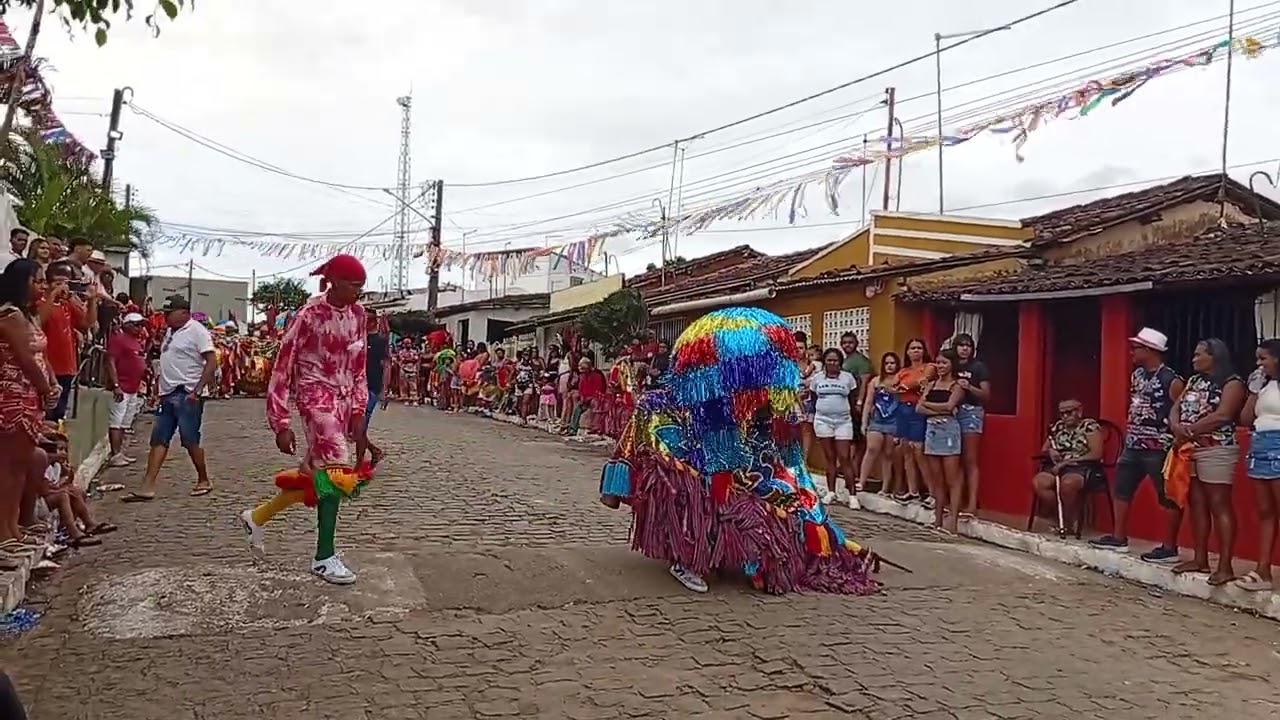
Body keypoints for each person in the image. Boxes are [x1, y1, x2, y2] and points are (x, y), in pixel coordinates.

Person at [598, 307, 880, 596]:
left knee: (768, 499)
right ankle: (687, 560)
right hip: (694, 464)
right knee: (695, 496)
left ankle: (745, 554)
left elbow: (781, 452)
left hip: (743, 466)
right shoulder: (674, 400)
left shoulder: (760, 401)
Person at [239, 254, 370, 585]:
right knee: (337, 470)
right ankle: (323, 557)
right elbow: (282, 367)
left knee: (316, 478)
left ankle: (257, 517)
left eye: (361, 286)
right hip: (315, 399)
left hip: (343, 401)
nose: (358, 292)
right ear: (334, 282)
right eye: (353, 285)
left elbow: (359, 366)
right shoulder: (308, 316)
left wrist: (359, 409)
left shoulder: (359, 315)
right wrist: (280, 422)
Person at [1090, 327, 1185, 558]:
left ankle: (1169, 546)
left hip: (1158, 447)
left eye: (1136, 348)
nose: (1132, 352)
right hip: (1133, 443)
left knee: (1167, 496)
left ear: (1150, 350)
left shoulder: (1171, 380)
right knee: (1122, 489)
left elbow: (1180, 411)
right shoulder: (1138, 375)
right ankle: (1119, 537)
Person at [1169, 339, 1245, 584]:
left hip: (1217, 448)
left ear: (1214, 357)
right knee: (1197, 503)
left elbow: (1223, 415)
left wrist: (1189, 430)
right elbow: (1176, 406)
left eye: (1199, 354)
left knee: (1219, 503)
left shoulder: (1232, 383)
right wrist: (1176, 426)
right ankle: (1200, 558)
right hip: (1190, 448)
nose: (1194, 359)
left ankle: (1225, 565)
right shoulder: (1193, 381)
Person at [125, 295, 216, 501]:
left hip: (187, 391)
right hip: (168, 392)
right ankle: (147, 485)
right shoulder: (170, 331)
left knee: (189, 439)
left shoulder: (197, 331)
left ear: (184, 313)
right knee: (159, 438)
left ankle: (203, 479)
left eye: (169, 313)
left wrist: (197, 390)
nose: (165, 317)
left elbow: (211, 361)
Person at [0, 260, 59, 546]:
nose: (43, 286)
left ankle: (12, 528)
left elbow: (40, 356)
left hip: (29, 396)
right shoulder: (10, 315)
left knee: (19, 466)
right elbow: (25, 358)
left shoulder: (28, 315)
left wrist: (52, 384)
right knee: (9, 467)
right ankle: (4, 532)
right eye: (38, 281)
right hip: (13, 396)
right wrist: (46, 388)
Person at [1238, 339, 1280, 591]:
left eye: (1263, 358)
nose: (1259, 364)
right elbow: (1245, 418)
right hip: (1260, 445)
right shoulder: (1264, 386)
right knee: (1265, 511)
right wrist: (1253, 392)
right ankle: (1263, 570)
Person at [1030, 399, 1104, 535]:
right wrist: (1051, 451)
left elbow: (1096, 454)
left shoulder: (1089, 426)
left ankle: (1068, 521)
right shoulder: (1058, 426)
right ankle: (1062, 516)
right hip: (1057, 466)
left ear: (1079, 411)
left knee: (1068, 484)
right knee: (1039, 483)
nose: (1065, 416)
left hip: (1082, 466)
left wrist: (1067, 462)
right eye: (1062, 413)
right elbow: (1044, 449)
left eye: (1069, 412)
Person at [918, 350, 965, 533]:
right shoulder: (931, 384)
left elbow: (950, 406)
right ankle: (937, 519)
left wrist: (929, 405)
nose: (940, 366)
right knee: (937, 479)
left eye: (944, 362)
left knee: (952, 478)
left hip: (949, 431)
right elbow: (919, 407)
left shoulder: (956, 386)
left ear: (952, 364)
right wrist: (940, 410)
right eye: (938, 362)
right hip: (932, 431)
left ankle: (952, 523)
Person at [37, 262, 91, 422]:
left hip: (67, 367)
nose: (63, 286)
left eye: (66, 282)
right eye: (58, 282)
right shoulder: (40, 304)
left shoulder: (67, 305)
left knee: (59, 415)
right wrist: (53, 295)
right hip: (49, 367)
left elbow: (87, 323)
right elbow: (39, 321)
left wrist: (93, 300)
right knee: (46, 413)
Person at [811, 348, 860, 509]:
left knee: (844, 457)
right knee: (830, 457)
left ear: (840, 362)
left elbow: (852, 398)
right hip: (823, 420)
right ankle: (831, 491)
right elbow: (813, 398)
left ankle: (852, 495)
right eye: (829, 360)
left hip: (843, 421)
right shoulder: (817, 378)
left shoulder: (848, 378)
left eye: (835, 360)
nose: (832, 363)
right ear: (825, 361)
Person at [892, 338, 934, 505]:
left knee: (918, 450)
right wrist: (906, 385)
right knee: (906, 450)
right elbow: (893, 386)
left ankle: (932, 493)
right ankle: (913, 491)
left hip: (918, 409)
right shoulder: (904, 370)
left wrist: (905, 385)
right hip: (903, 408)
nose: (916, 351)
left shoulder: (929, 366)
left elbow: (921, 381)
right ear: (907, 352)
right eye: (912, 348)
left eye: (919, 348)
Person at [951, 333, 989, 519]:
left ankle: (972, 504)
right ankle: (956, 502)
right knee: (954, 459)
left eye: (968, 345)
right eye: (961, 345)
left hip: (971, 411)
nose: (965, 348)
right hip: (952, 412)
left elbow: (986, 395)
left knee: (970, 459)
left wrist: (969, 387)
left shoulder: (978, 367)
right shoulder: (951, 366)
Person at [104, 312, 148, 467]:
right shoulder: (119, 339)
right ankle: (115, 454)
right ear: (127, 325)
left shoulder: (135, 341)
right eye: (137, 325)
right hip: (122, 386)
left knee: (124, 423)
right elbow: (110, 361)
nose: (140, 328)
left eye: (141, 325)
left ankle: (120, 452)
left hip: (133, 387)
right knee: (116, 421)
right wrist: (116, 385)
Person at [857, 352, 901, 496]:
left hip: (894, 420)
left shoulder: (900, 380)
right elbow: (868, 402)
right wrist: (864, 422)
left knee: (888, 454)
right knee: (872, 449)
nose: (889, 366)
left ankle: (885, 487)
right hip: (876, 420)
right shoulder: (875, 381)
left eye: (892, 363)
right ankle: (862, 481)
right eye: (887, 363)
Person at [839, 332, 873, 485]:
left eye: (850, 342)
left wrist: (859, 402)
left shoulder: (862, 361)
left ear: (856, 343)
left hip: (856, 406)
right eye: (845, 342)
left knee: (856, 440)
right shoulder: (845, 361)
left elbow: (865, 382)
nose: (847, 345)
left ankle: (854, 470)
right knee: (848, 439)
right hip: (844, 404)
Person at [359, 307, 389, 467]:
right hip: (356, 386)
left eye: (366, 319)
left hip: (372, 387)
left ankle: (359, 463)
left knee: (360, 427)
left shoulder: (380, 341)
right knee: (353, 428)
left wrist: (384, 390)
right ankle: (374, 450)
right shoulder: (358, 339)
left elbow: (386, 365)